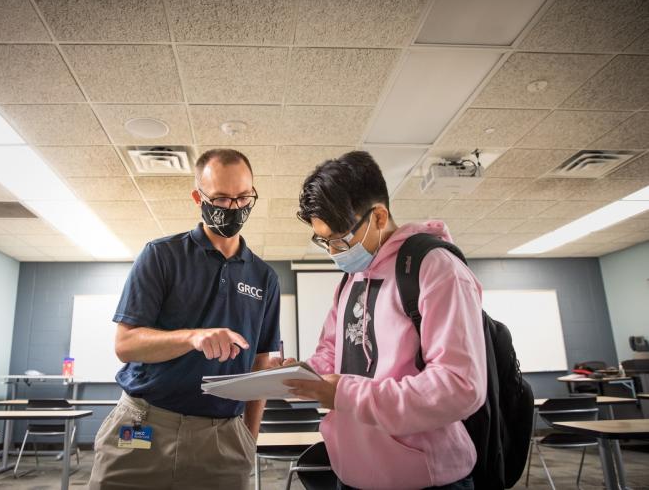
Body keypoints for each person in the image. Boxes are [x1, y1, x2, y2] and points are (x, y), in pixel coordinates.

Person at [284, 151, 486, 490]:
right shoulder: (350, 280)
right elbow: (332, 354)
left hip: (423, 479)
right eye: (324, 241)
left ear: (378, 217)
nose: (333, 251)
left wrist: (345, 395)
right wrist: (299, 375)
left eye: (340, 239)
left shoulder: (435, 268)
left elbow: (459, 387)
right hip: (352, 473)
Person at [88, 149, 281, 490]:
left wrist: (248, 439)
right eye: (221, 198)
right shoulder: (161, 256)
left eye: (243, 197)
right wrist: (191, 338)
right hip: (145, 426)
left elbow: (260, 363)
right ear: (198, 197)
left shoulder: (265, 278)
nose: (233, 207)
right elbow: (126, 344)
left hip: (223, 437)